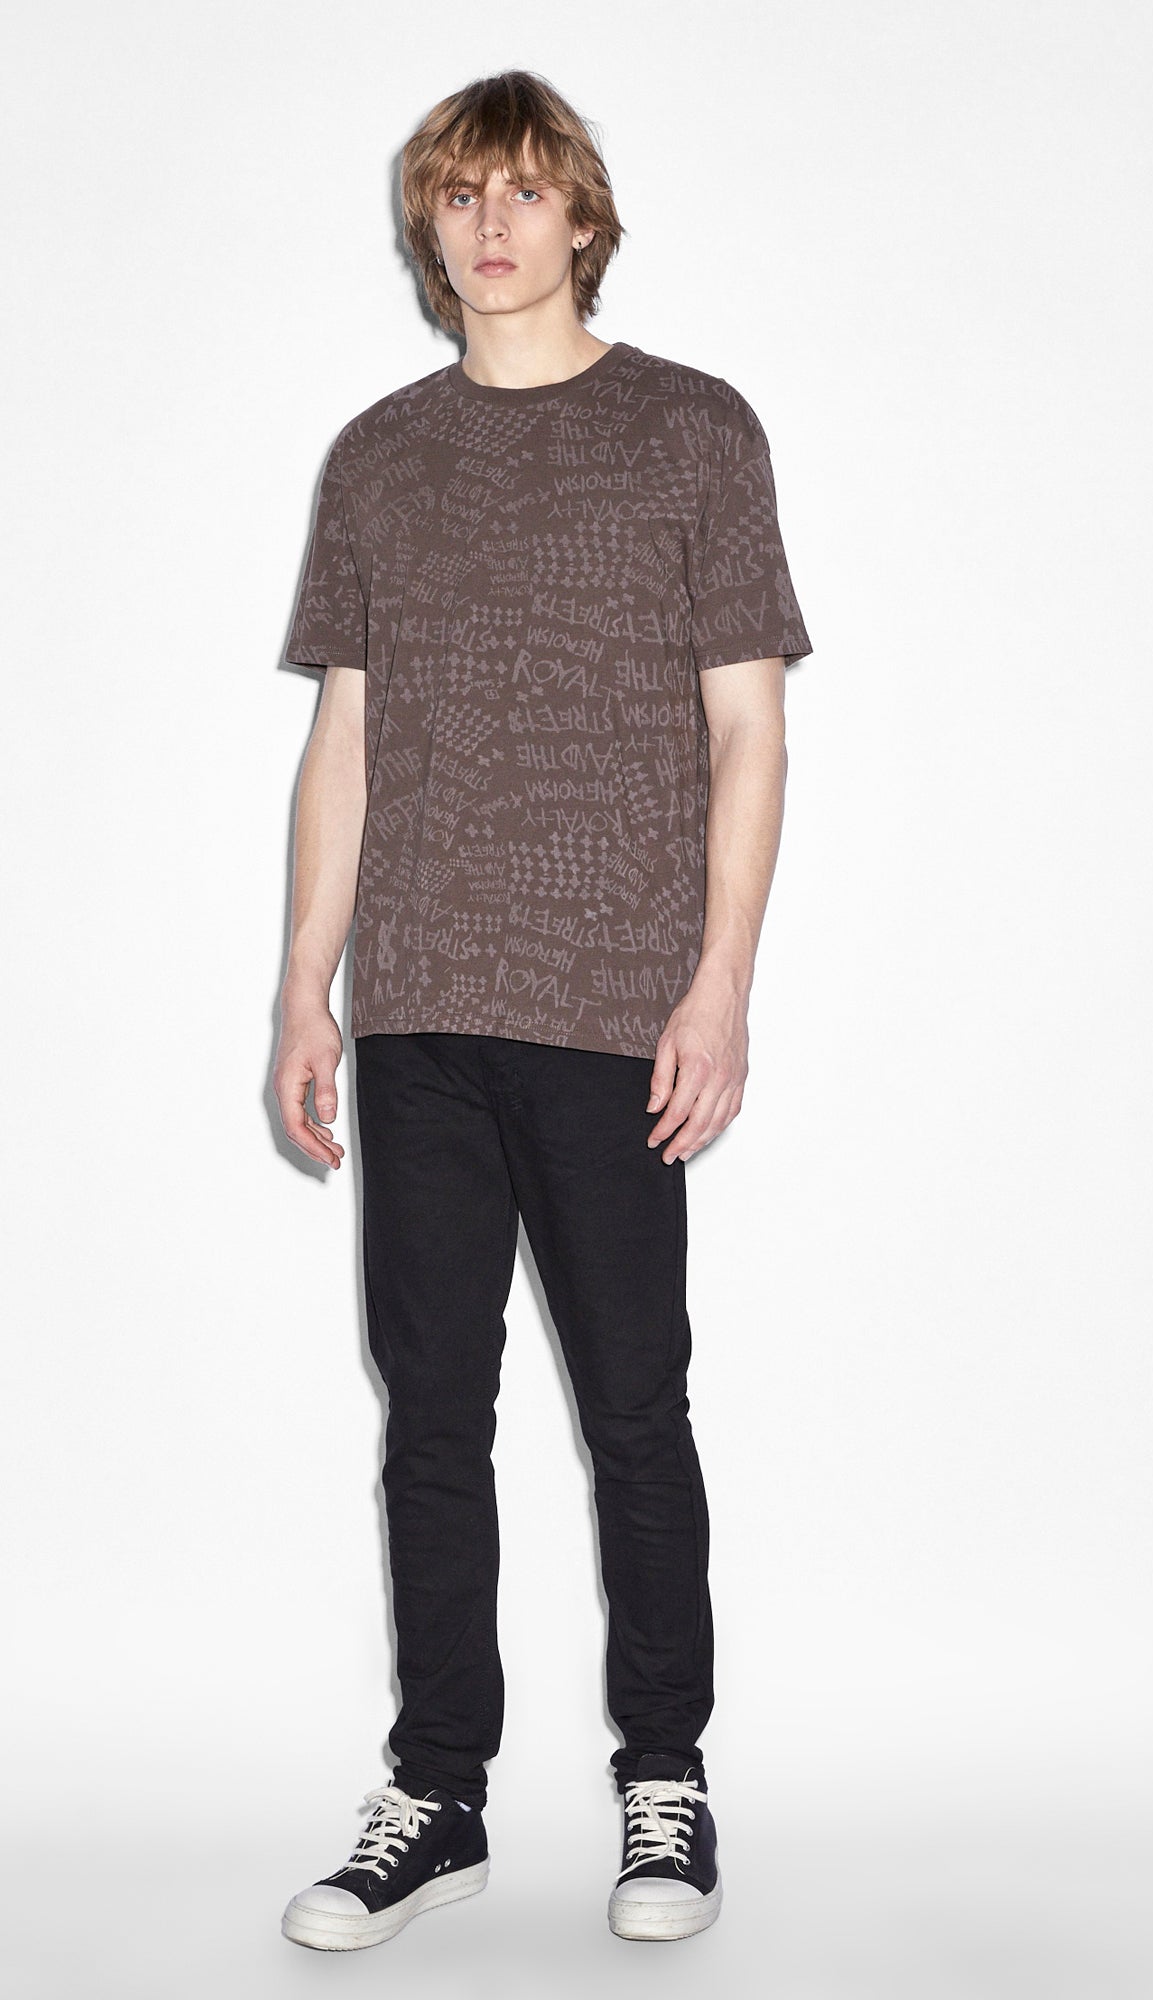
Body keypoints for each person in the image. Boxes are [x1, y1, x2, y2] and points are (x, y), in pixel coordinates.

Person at [271, 68, 812, 1952]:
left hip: (610, 1012)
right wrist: (305, 986)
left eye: (522, 191)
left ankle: (667, 1779)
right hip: (419, 1006)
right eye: (457, 195)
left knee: (635, 1408)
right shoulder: (379, 458)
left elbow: (749, 734)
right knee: (432, 1416)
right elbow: (346, 741)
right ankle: (439, 1794)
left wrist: (721, 981)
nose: (489, 224)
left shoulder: (691, 432)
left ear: (583, 216)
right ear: (426, 226)